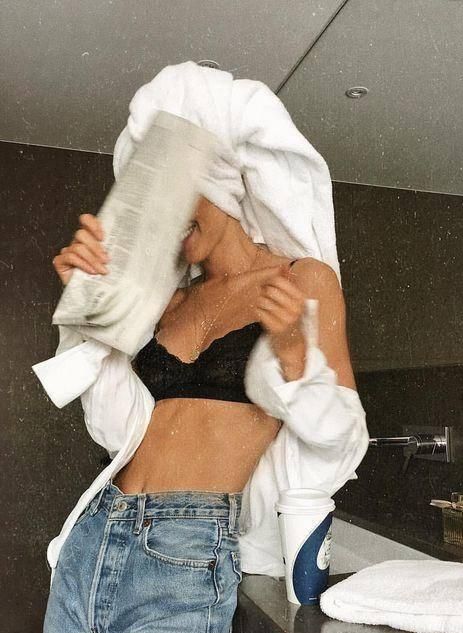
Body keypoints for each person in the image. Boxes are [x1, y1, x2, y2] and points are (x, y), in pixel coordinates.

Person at [38, 61, 369, 633]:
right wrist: (86, 309)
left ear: (215, 179)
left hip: (186, 547)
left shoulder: (301, 279)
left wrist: (294, 356)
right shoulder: (166, 302)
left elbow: (345, 439)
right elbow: (113, 428)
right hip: (93, 534)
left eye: (174, 197)